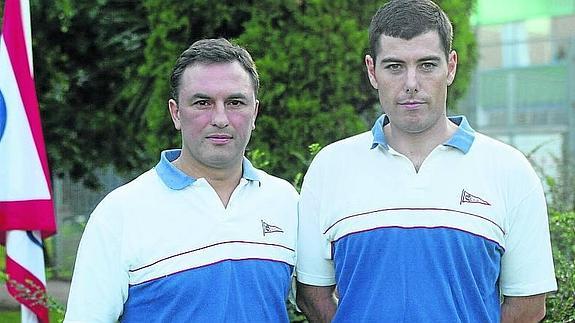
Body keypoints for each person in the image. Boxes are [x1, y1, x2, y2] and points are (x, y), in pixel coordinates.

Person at [295, 0, 557, 322]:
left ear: (451, 66)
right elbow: (312, 295)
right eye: (394, 66)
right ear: (371, 70)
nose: (411, 84)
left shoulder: (509, 170)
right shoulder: (330, 167)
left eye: (427, 65)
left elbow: (528, 304)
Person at [64, 38, 298, 322]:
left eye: (235, 102)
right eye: (203, 103)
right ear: (176, 113)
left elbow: (320, 296)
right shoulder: (121, 213)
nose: (220, 118)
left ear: (255, 112)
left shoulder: (285, 201)